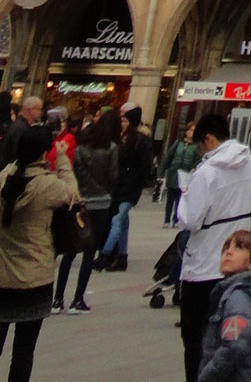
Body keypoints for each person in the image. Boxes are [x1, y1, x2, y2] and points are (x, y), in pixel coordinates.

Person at [178, 115, 251, 382]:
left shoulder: (207, 172)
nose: (199, 151)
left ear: (209, 139)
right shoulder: (249, 162)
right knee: (224, 334)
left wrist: (186, 191)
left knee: (195, 338)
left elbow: (190, 219)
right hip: (237, 258)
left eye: (199, 145)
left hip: (203, 264)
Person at [0, 124, 80, 382]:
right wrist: (64, 161)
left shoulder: (3, 178)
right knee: (24, 350)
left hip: (2, 276)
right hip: (35, 278)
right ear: (45, 153)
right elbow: (74, 197)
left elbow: (15, 169)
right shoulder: (49, 185)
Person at [52, 110, 117, 314]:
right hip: (101, 202)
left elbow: (75, 172)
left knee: (70, 249)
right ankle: (78, 299)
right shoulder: (111, 148)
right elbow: (113, 175)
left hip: (80, 200)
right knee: (90, 251)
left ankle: (57, 299)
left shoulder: (81, 148)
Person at [198, 230, 251, 382]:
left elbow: (235, 346)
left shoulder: (237, 298)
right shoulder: (242, 292)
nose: (229, 252)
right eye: (226, 248)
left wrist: (207, 376)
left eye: (239, 248)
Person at [98, 104, 156, 271]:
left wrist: (133, 179)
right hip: (117, 186)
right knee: (123, 222)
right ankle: (122, 256)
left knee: (117, 220)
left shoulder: (141, 141)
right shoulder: (117, 139)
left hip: (130, 188)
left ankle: (104, 254)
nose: (121, 123)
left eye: (124, 121)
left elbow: (145, 166)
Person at [164, 122, 202, 227]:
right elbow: (169, 156)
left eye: (194, 131)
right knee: (170, 199)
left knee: (180, 199)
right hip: (173, 173)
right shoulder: (178, 143)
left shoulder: (195, 146)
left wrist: (193, 168)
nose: (192, 133)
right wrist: (163, 171)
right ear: (186, 131)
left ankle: (176, 219)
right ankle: (166, 220)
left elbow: (198, 160)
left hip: (185, 175)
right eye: (191, 130)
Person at [0, 106, 41, 176]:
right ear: (31, 110)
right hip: (9, 170)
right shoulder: (21, 128)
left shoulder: (19, 124)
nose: (40, 112)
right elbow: (16, 153)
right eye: (39, 109)